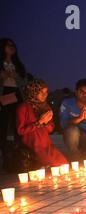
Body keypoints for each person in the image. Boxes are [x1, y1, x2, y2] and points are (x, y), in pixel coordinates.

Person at [16, 79, 67, 166]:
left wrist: (46, 123)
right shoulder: (23, 107)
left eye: (46, 92)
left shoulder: (46, 107)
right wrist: (39, 122)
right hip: (32, 145)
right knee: (52, 165)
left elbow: (50, 129)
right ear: (33, 92)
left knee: (64, 164)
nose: (44, 95)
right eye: (41, 92)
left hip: (46, 145)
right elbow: (20, 131)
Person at [0, 38, 27, 166]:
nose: (11, 47)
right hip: (4, 94)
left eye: (13, 45)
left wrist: (16, 76)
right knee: (4, 126)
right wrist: (3, 76)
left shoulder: (18, 65)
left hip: (17, 95)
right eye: (8, 45)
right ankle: (7, 157)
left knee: (18, 125)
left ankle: (20, 155)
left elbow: (25, 82)